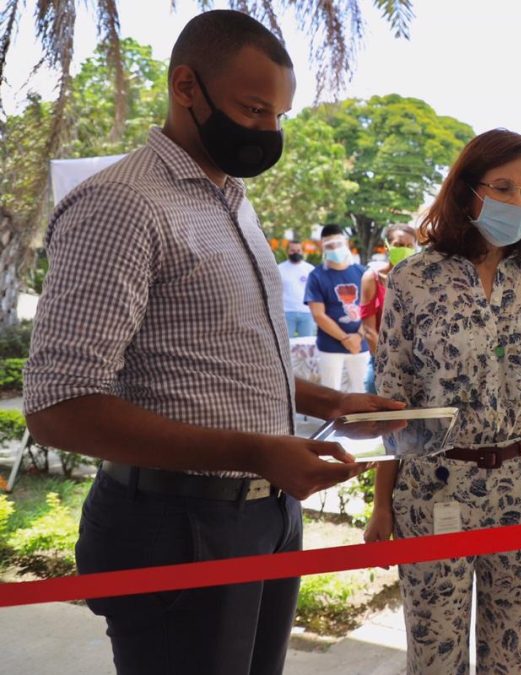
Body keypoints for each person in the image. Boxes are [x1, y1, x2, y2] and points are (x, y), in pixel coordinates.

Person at [22, 11, 403, 675]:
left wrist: (330, 402)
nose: (268, 132)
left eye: (279, 115)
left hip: (261, 513)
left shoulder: (230, 197)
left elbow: (215, 361)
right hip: (178, 525)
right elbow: (59, 404)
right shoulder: (123, 205)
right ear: (185, 86)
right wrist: (257, 449)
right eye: (254, 109)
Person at [364, 129, 521, 674]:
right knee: (435, 656)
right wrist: (381, 503)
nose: (520, 201)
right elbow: (394, 398)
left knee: (520, 655)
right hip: (435, 488)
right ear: (468, 192)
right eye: (504, 187)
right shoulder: (414, 279)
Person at [305, 224, 368, 392]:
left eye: (338, 244)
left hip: (361, 344)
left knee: (363, 392)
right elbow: (318, 315)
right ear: (322, 247)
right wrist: (345, 339)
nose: (335, 249)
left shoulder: (362, 272)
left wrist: (359, 336)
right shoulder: (316, 276)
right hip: (330, 347)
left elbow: (371, 309)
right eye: (329, 246)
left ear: (346, 243)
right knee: (331, 393)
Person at [359, 224, 418, 394]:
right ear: (387, 246)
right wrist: (390, 362)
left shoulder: (420, 280)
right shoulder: (372, 278)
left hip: (415, 367)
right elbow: (369, 330)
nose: (404, 250)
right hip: (381, 365)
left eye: (409, 246)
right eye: (399, 245)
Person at [278, 239, 315, 337]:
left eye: (298, 251)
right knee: (286, 345)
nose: (295, 253)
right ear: (287, 251)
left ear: (302, 251)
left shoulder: (310, 269)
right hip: (286, 313)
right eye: (292, 251)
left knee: (307, 344)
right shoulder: (279, 269)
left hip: (307, 313)